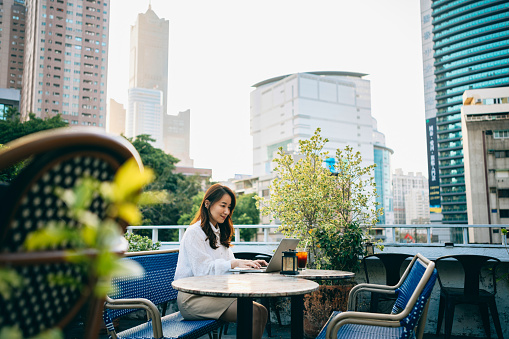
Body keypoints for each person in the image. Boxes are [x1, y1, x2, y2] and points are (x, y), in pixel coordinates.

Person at [175, 183, 268, 339]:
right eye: (223, 205)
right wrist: (234, 263)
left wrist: (249, 265)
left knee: (261, 311)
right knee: (253, 313)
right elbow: (202, 271)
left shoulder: (218, 232)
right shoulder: (194, 233)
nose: (227, 211)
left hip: (213, 294)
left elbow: (230, 264)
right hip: (192, 299)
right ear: (207, 203)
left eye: (229, 207)